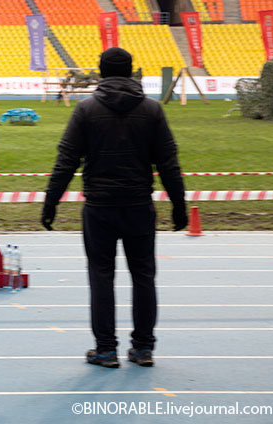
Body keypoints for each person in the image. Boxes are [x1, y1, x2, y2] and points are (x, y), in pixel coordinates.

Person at [40, 47, 187, 369]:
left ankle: (106, 350)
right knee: (144, 276)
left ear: (101, 73)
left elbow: (66, 161)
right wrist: (179, 205)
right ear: (132, 72)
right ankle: (143, 348)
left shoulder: (86, 109)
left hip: (99, 208)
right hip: (139, 205)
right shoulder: (152, 110)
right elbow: (169, 162)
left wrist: (51, 202)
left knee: (101, 277)